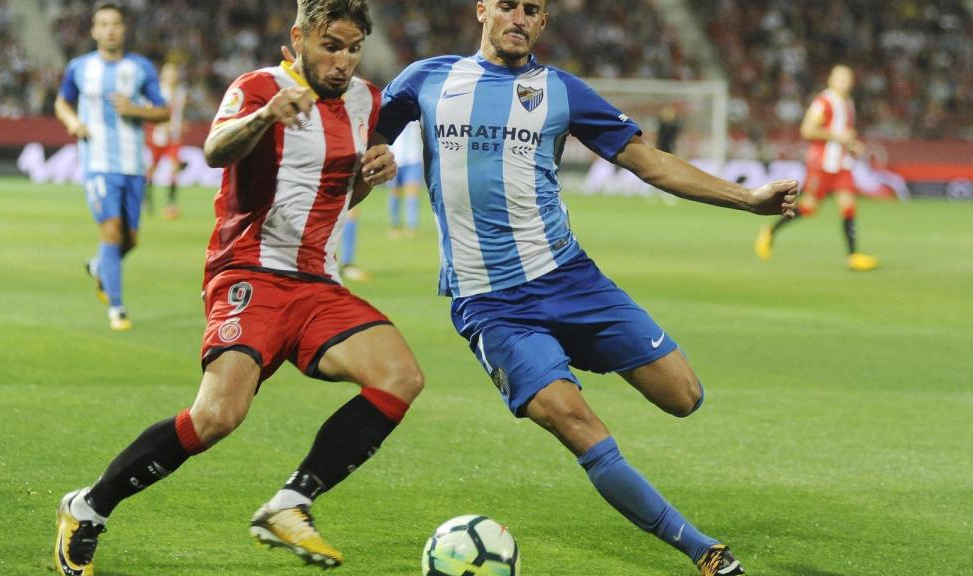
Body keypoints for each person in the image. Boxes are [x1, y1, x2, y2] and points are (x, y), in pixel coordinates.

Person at [375, 1, 797, 574]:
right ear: (482, 9)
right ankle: (703, 551)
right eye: (508, 5)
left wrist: (748, 199)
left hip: (572, 281)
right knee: (573, 420)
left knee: (684, 396)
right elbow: (358, 147)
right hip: (492, 305)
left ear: (544, 22)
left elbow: (648, 162)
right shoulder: (426, 79)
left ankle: (566, 350)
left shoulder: (561, 91)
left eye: (533, 9)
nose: (519, 16)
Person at [54, 1, 423, 574]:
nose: (344, 61)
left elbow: (340, 195)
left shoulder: (365, 101)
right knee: (218, 416)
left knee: (400, 377)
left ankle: (291, 503)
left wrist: (371, 174)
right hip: (250, 270)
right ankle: (89, 507)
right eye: (332, 46)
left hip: (318, 282)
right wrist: (268, 116)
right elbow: (214, 150)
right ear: (299, 37)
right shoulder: (257, 87)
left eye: (353, 48)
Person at [54, 3, 170, 331]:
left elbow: (163, 112)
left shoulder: (141, 68)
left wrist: (135, 109)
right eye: (103, 24)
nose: (110, 30)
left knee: (130, 239)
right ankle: (116, 308)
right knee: (111, 230)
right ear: (93, 31)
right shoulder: (79, 67)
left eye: (115, 24)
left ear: (124, 29)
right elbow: (62, 101)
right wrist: (73, 121)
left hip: (133, 164)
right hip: (98, 162)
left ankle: (98, 267)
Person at [755, 64, 877, 271]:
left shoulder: (848, 103)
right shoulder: (824, 102)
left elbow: (844, 133)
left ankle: (854, 255)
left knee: (848, 206)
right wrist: (837, 137)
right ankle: (770, 231)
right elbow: (808, 130)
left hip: (842, 165)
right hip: (821, 165)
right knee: (809, 208)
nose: (844, 82)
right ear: (830, 80)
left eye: (847, 79)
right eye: (840, 78)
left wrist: (852, 144)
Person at [145, 62, 188, 220]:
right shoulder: (157, 91)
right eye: (169, 73)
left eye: (174, 73)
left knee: (174, 167)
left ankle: (170, 203)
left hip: (174, 137)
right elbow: (150, 110)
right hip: (157, 136)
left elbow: (180, 112)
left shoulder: (181, 91)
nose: (172, 76)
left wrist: (181, 123)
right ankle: (147, 199)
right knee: (152, 170)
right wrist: (160, 125)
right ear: (163, 75)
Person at [387, 120, 424, 238]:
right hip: (395, 158)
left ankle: (412, 226)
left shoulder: (417, 110)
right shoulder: (394, 110)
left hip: (413, 158)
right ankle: (395, 225)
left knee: (412, 193)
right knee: (394, 193)